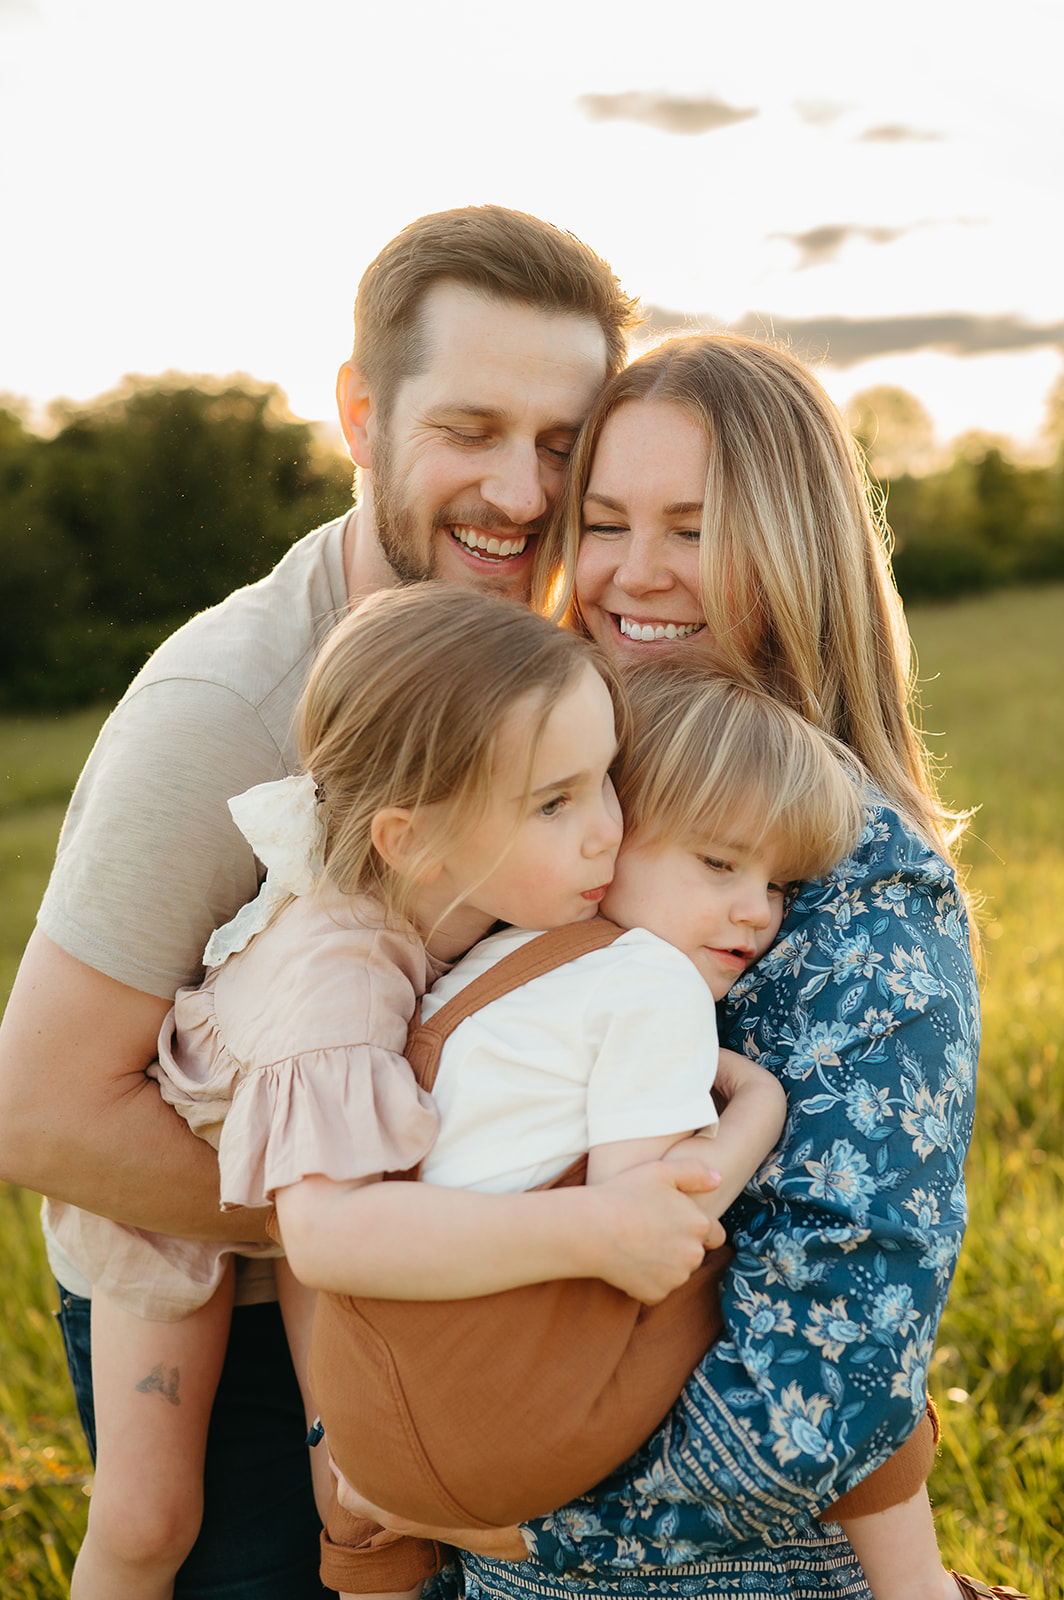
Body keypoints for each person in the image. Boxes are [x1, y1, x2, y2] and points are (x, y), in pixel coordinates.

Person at [0, 205, 639, 1598]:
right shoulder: (225, 712)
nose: (522, 494)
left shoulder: (558, 657)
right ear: (360, 413)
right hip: (213, 1298)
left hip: (452, 1273)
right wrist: (413, 1220)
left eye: (559, 444)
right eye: (468, 429)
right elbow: (38, 1107)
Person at [335, 335, 1001, 1600]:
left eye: (693, 529)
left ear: (795, 551)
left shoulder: (861, 882)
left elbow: (825, 1378)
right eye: (602, 522)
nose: (633, 575)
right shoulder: (547, 808)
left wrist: (490, 1516)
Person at [311, 661, 971, 1600]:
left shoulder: (492, 953)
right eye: (718, 863)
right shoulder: (649, 981)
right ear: (610, 838)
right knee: (838, 1341)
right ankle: (920, 1589)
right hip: (492, 1419)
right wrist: (763, 1107)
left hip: (373, 1414)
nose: (757, 910)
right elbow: (658, 1219)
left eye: (781, 883)